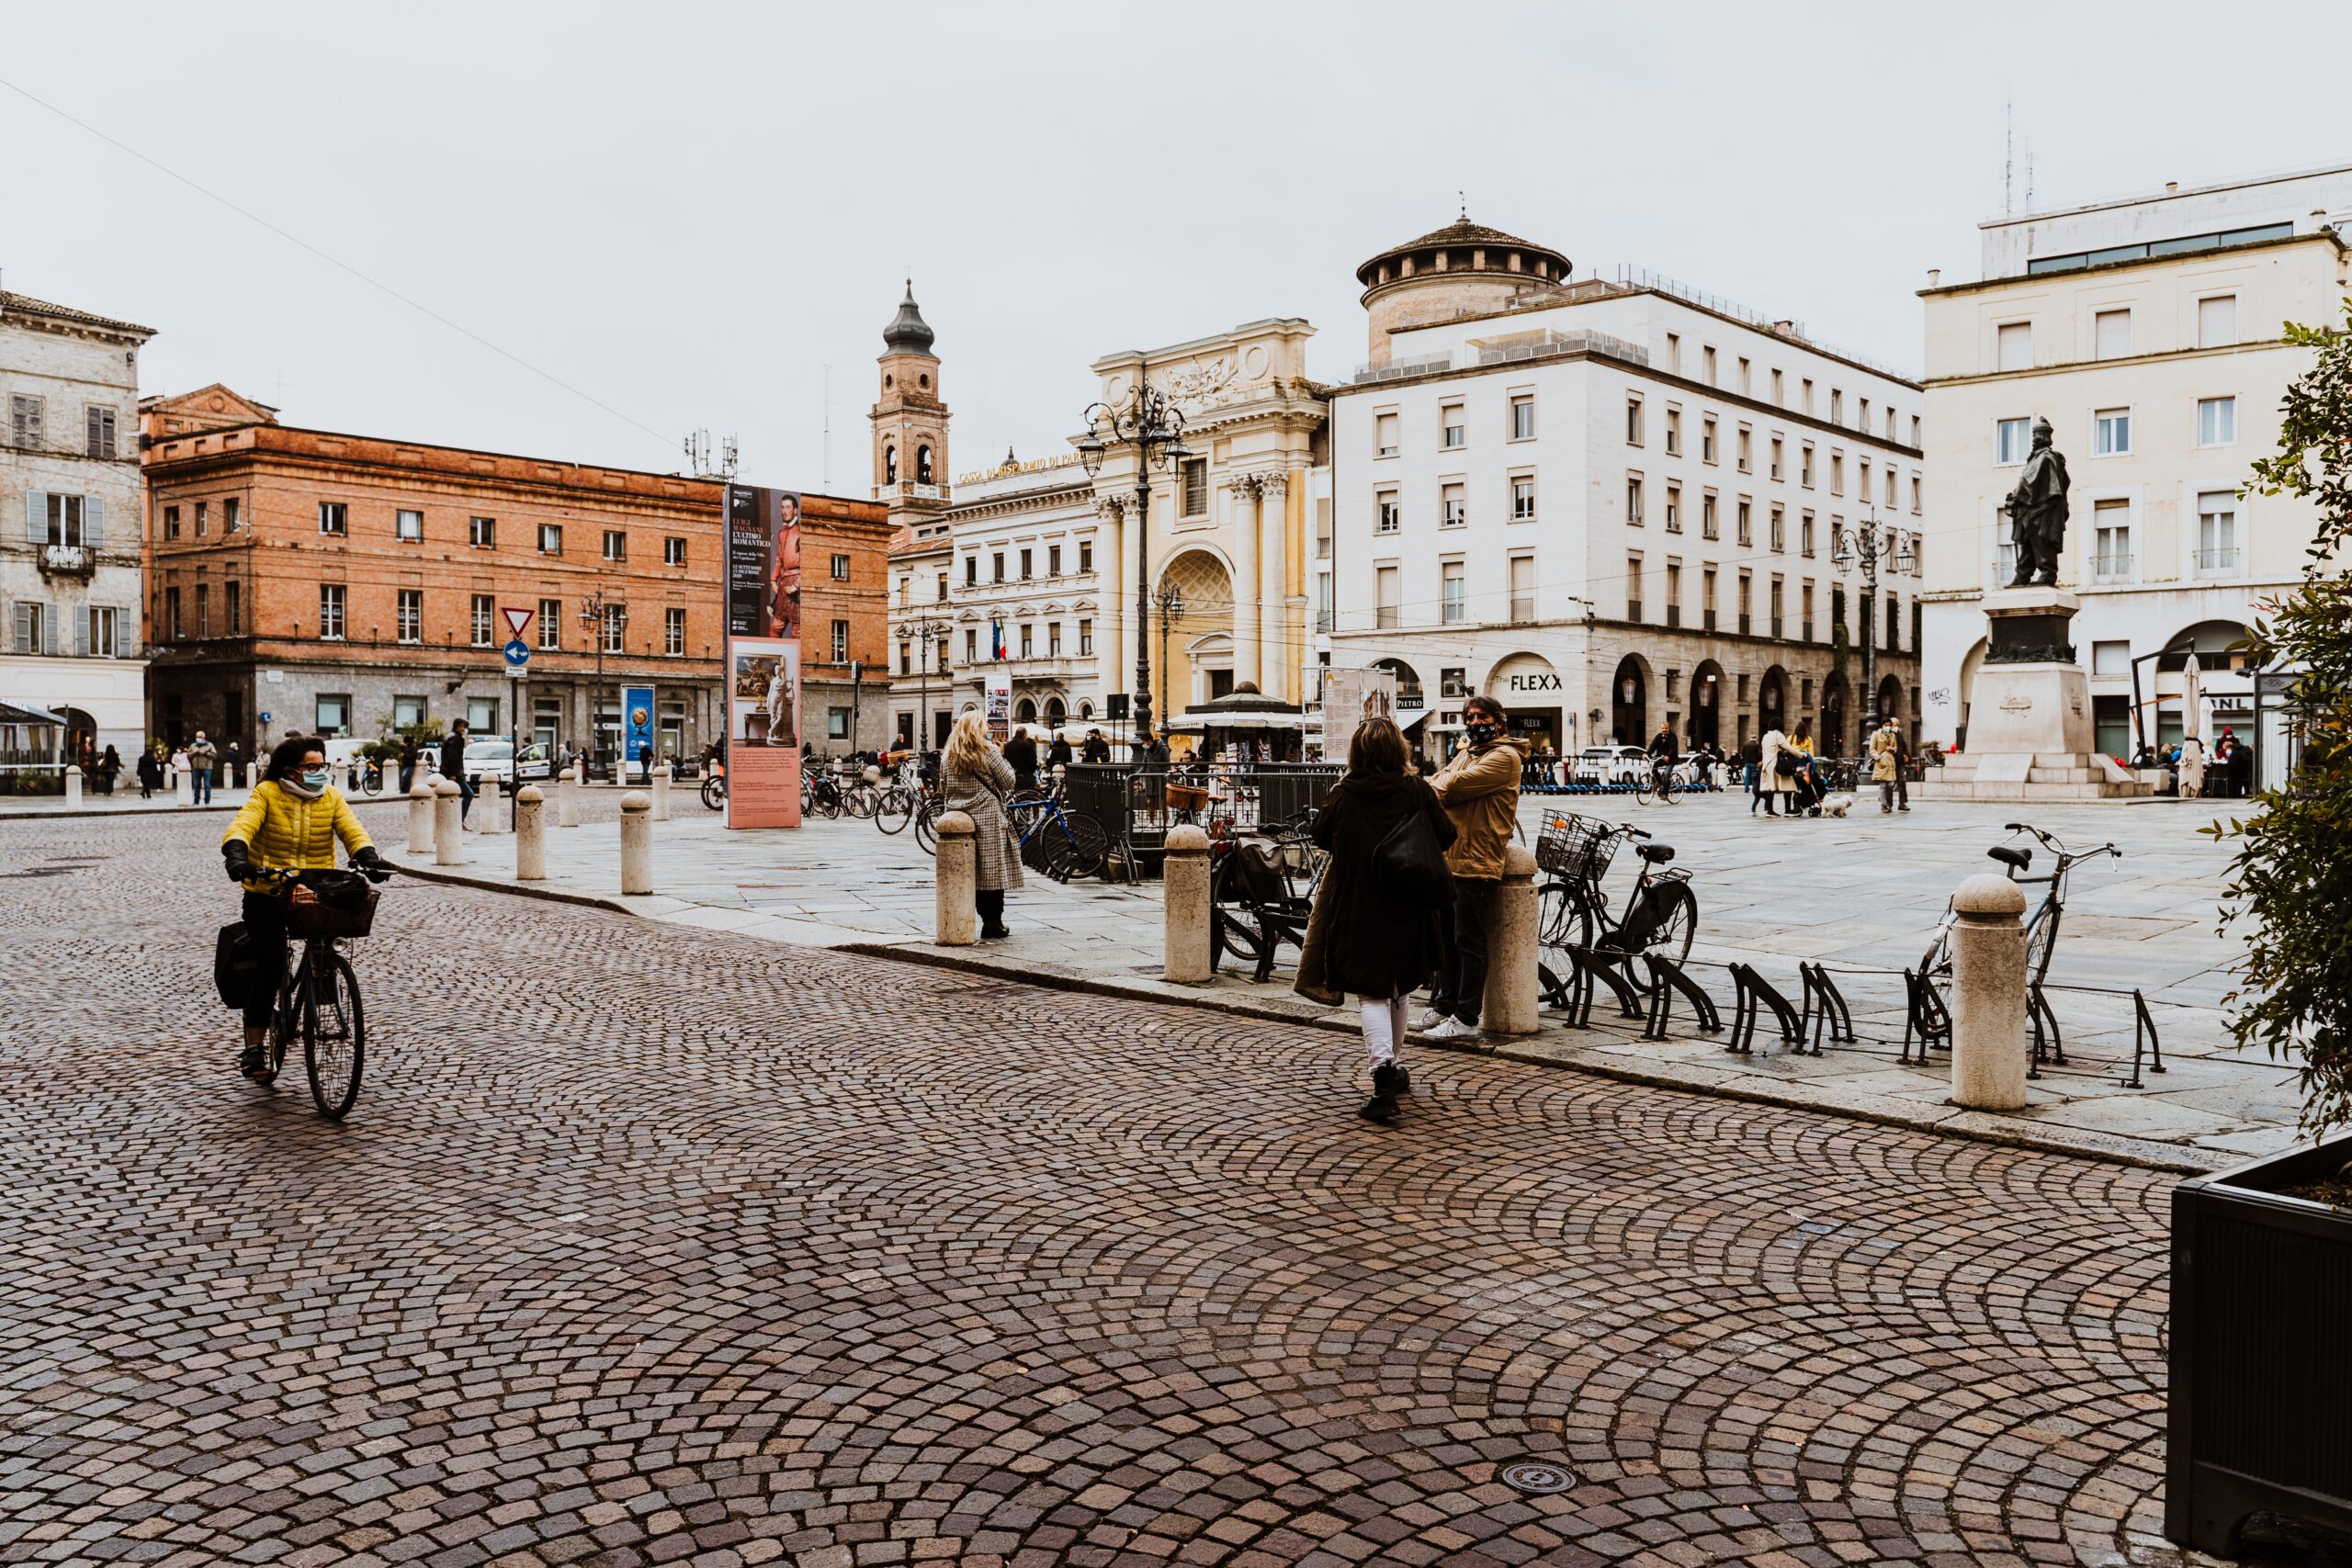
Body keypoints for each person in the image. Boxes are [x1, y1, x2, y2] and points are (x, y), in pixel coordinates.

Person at [1297, 716, 1455, 1125]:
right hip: (1410, 899)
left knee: (1371, 992)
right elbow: (1446, 835)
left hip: (1358, 902)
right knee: (1400, 987)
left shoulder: (1344, 793)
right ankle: (1393, 1066)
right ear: (1398, 751)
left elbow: (1320, 837)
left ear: (1357, 752)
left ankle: (1383, 1074)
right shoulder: (1416, 790)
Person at [220, 735, 383, 1080]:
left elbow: (352, 830)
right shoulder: (267, 793)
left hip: (315, 889)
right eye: (312, 766)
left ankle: (321, 982)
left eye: (321, 765)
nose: (319, 772)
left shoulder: (332, 796)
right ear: (290, 771)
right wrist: (237, 855)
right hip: (268, 891)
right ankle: (254, 1048)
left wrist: (367, 856)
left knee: (325, 951)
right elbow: (243, 825)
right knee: (271, 963)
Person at [1417, 694, 1525, 1043]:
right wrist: (1442, 786)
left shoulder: (1505, 757)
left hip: (1478, 860)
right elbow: (1438, 782)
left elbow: (1453, 784)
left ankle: (1466, 1018)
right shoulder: (1467, 752)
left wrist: (1443, 787)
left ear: (1499, 720)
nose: (1476, 723)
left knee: (1469, 941)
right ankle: (1445, 1006)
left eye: (1483, 717)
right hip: (1450, 856)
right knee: (1446, 939)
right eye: (1471, 717)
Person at [942, 712, 1021, 939]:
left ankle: (967, 918)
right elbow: (1008, 782)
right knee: (991, 872)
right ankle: (993, 922)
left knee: (967, 873)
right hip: (987, 818)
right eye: (985, 724)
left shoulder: (948, 756)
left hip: (957, 818)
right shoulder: (988, 751)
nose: (988, 728)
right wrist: (1003, 756)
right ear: (977, 729)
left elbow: (944, 786)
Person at [1870, 716, 1905, 815]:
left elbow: (1896, 748)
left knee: (1890, 785)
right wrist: (1878, 758)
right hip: (1881, 762)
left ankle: (1882, 797)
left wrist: (1892, 749)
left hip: (1890, 762)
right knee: (1883, 785)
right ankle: (1884, 805)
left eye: (1889, 725)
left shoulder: (1892, 735)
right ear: (1882, 726)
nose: (1888, 727)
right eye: (1886, 725)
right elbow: (1872, 748)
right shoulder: (1876, 734)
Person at [440, 719, 473, 822]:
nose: (464, 729)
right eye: (463, 726)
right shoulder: (456, 738)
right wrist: (453, 774)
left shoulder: (451, 736)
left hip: (449, 771)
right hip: (454, 773)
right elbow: (453, 757)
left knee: (450, 795)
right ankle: (459, 819)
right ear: (458, 726)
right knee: (469, 794)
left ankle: (453, 819)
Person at [1758, 727, 1791, 818]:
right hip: (1777, 764)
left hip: (1767, 764)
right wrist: (1802, 755)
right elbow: (1788, 748)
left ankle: (1770, 810)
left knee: (1770, 788)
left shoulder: (1765, 736)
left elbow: (1764, 751)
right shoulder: (1778, 735)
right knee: (1789, 783)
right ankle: (1787, 809)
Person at [1002, 725, 1040, 793]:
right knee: (1028, 796)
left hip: (1012, 776)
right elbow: (1033, 761)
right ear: (1024, 735)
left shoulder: (1008, 745)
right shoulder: (1027, 745)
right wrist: (1030, 772)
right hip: (1026, 776)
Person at [187, 730, 218, 806]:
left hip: (207, 768)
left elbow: (214, 755)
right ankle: (196, 801)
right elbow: (188, 755)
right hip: (196, 768)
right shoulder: (193, 745)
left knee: (207, 785)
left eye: (200, 737)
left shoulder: (209, 745)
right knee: (196, 785)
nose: (198, 738)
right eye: (197, 737)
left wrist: (206, 753)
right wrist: (194, 753)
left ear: (204, 737)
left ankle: (207, 801)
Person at [1645, 720, 1677, 793]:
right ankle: (1661, 784)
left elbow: (1673, 748)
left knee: (1666, 774)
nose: (1664, 730)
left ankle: (1665, 793)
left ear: (1669, 728)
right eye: (1663, 728)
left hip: (1671, 759)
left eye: (1666, 728)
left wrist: (1668, 756)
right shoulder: (1659, 736)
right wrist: (1646, 753)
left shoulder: (1673, 737)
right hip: (1661, 758)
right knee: (1653, 768)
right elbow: (1652, 746)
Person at [1740, 734, 1765, 814]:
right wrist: (1759, 760)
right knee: (1755, 776)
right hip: (1754, 762)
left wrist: (1744, 760)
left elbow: (1742, 753)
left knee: (1747, 776)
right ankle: (1755, 787)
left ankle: (1746, 789)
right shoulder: (1757, 745)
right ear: (1755, 739)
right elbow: (1759, 754)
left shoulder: (1745, 744)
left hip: (1747, 762)